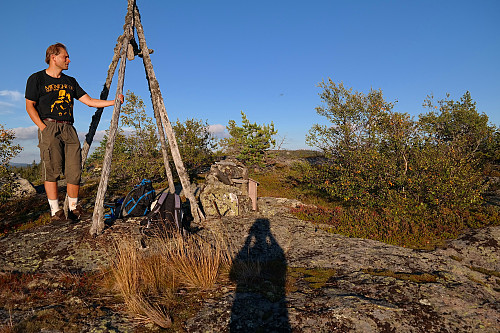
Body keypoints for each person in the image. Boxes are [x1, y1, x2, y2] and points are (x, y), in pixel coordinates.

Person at [25, 42, 124, 222]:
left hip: (69, 128)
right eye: (65, 56)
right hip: (49, 126)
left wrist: (114, 101)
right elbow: (30, 106)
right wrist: (42, 127)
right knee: (52, 170)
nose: (69, 60)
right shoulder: (37, 79)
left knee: (74, 169)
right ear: (53, 57)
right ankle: (55, 211)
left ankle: (73, 208)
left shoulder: (70, 81)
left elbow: (90, 101)